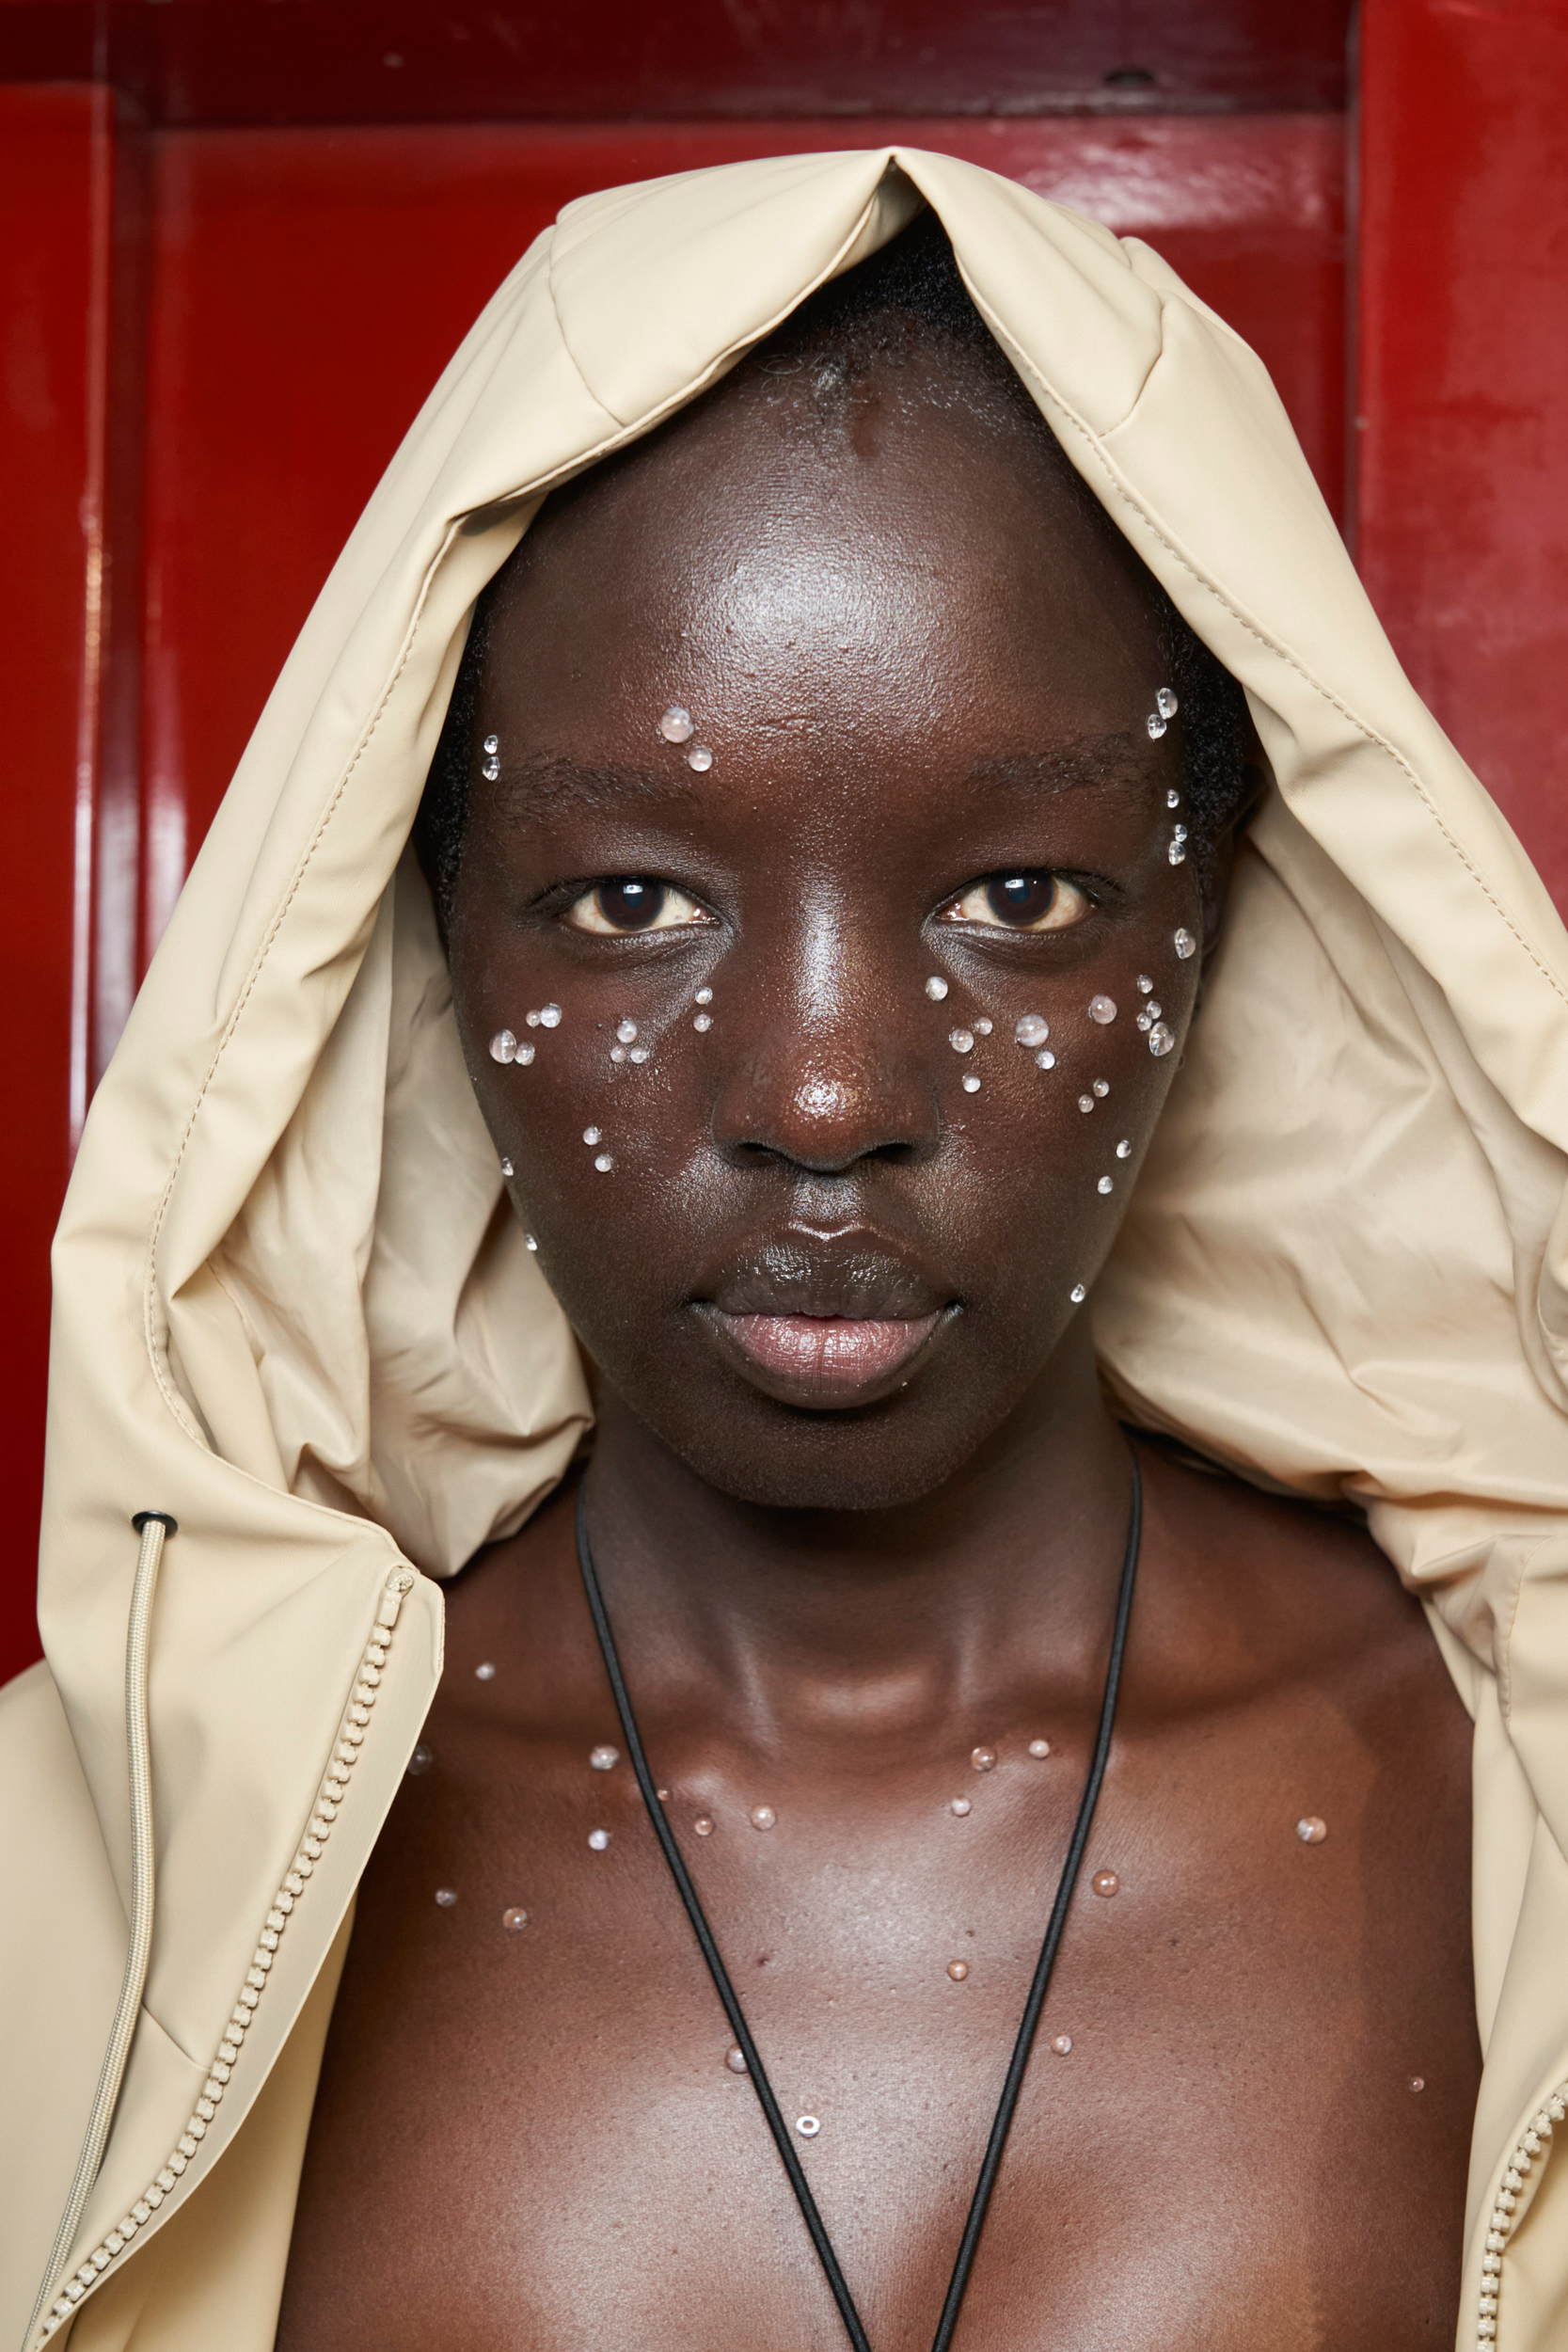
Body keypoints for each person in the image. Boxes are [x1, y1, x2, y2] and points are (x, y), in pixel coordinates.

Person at [4, 149, 1566, 2352]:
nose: (826, 1095)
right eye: (632, 900)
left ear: (1218, 939)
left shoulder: (1514, 1803)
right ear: (430, 944)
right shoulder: (65, 1888)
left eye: (1016, 899)